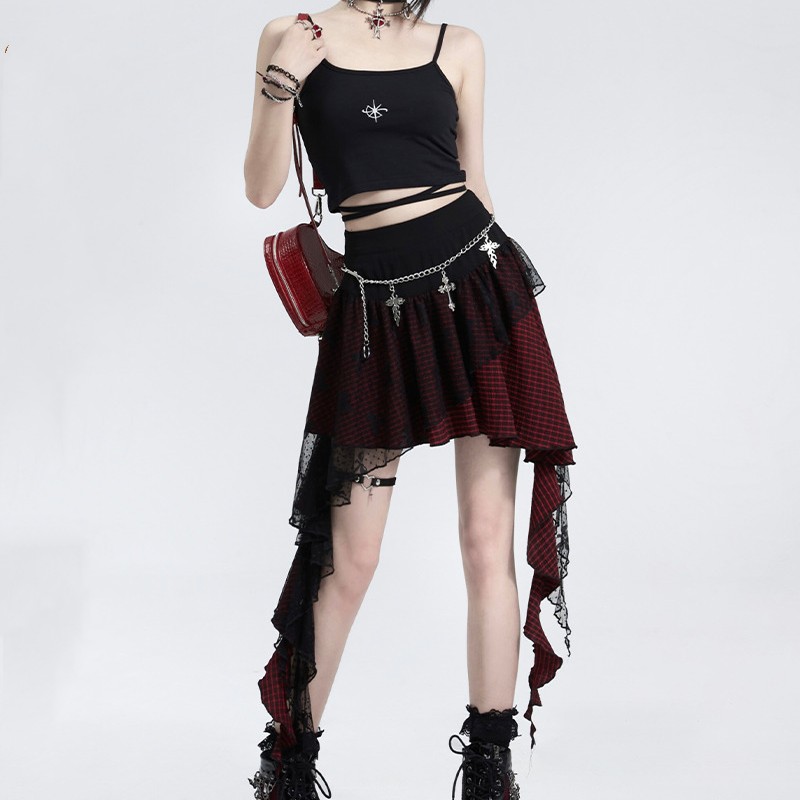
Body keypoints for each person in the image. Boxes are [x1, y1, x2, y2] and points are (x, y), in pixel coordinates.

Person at [243, 2, 577, 798]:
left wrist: (499, 304)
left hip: (474, 290)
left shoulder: (458, 45)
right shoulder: (293, 37)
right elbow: (260, 189)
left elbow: (476, 180)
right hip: (376, 315)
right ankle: (287, 768)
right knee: (350, 559)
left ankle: (489, 770)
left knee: (486, 542)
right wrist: (281, 82)